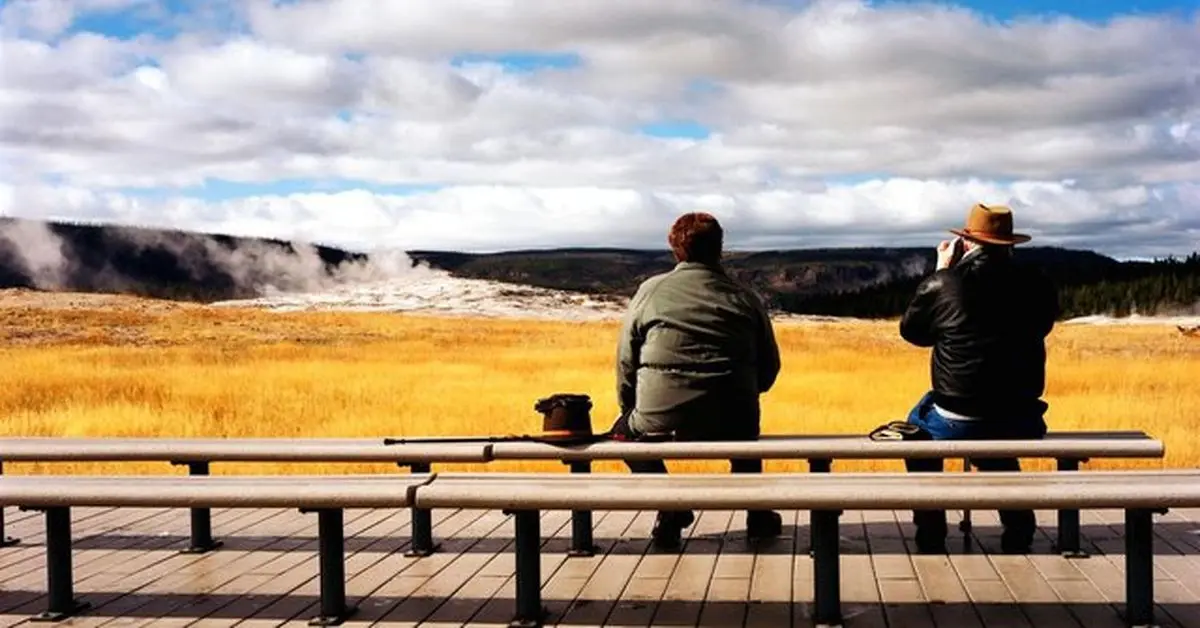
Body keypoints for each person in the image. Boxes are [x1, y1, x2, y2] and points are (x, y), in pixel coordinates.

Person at [608, 211, 783, 549]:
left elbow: (626, 361)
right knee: (744, 429)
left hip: (660, 418)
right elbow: (769, 368)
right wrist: (747, 390)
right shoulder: (745, 296)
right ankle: (758, 515)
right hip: (735, 418)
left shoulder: (650, 291)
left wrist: (630, 407)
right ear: (720, 248)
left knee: (623, 434)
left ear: (675, 248)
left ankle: (670, 508)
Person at [899, 203, 1060, 554]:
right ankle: (1018, 526)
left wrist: (940, 272)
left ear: (967, 242)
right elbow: (1043, 325)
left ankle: (931, 529)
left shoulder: (945, 283)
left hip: (958, 415)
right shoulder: (1037, 283)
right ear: (1010, 243)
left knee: (918, 431)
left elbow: (913, 332)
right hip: (1022, 417)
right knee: (995, 442)